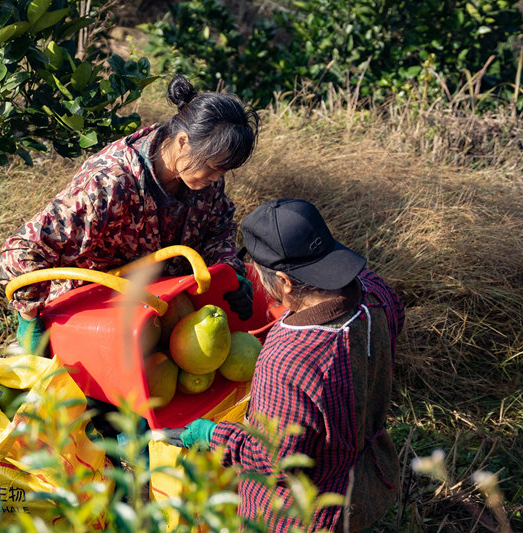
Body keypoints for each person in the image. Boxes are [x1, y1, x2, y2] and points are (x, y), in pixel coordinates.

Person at [164, 198, 404, 532]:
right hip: (369, 476)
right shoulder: (376, 293)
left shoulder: (289, 357)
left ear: (285, 282)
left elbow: (274, 460)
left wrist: (213, 434)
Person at [0, 75, 260, 353]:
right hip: (96, 315)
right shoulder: (109, 184)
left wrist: (229, 270)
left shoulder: (201, 175)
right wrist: (30, 319)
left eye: (224, 170)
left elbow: (217, 229)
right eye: (213, 166)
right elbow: (22, 251)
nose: (218, 177)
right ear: (183, 142)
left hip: (164, 308)